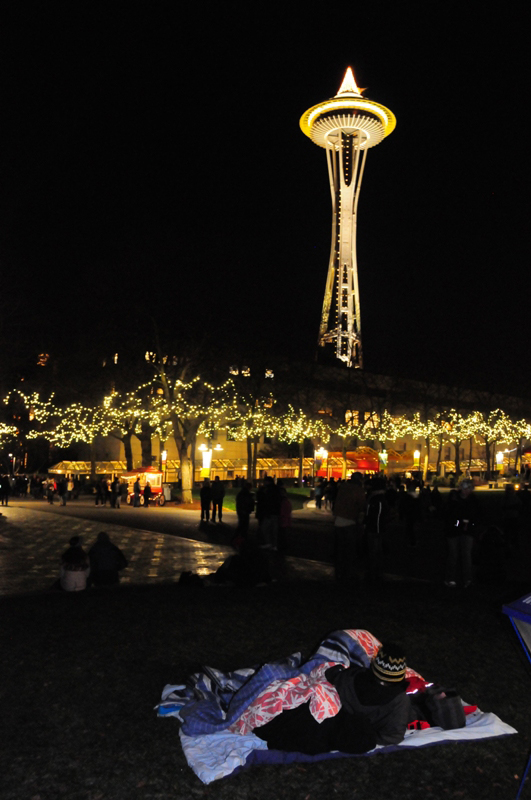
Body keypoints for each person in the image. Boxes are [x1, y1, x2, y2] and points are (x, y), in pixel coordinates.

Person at [253, 643, 410, 755]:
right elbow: (393, 736)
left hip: (326, 718)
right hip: (338, 724)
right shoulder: (400, 701)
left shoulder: (351, 677)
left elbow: (326, 677)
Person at [444, 478, 479, 588]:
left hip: (467, 530)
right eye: (465, 488)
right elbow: (450, 515)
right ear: (461, 488)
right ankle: (451, 578)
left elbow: (478, 515)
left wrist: (470, 523)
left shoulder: (473, 499)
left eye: (469, 488)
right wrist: (461, 522)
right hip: (454, 530)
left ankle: (467, 579)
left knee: (466, 555)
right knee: (454, 555)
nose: (467, 491)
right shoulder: (454, 499)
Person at [333, 472, 366, 587]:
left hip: (338, 520)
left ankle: (339, 572)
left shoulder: (343, 488)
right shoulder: (358, 490)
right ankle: (349, 573)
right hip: (350, 521)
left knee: (340, 549)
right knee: (350, 550)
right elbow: (361, 506)